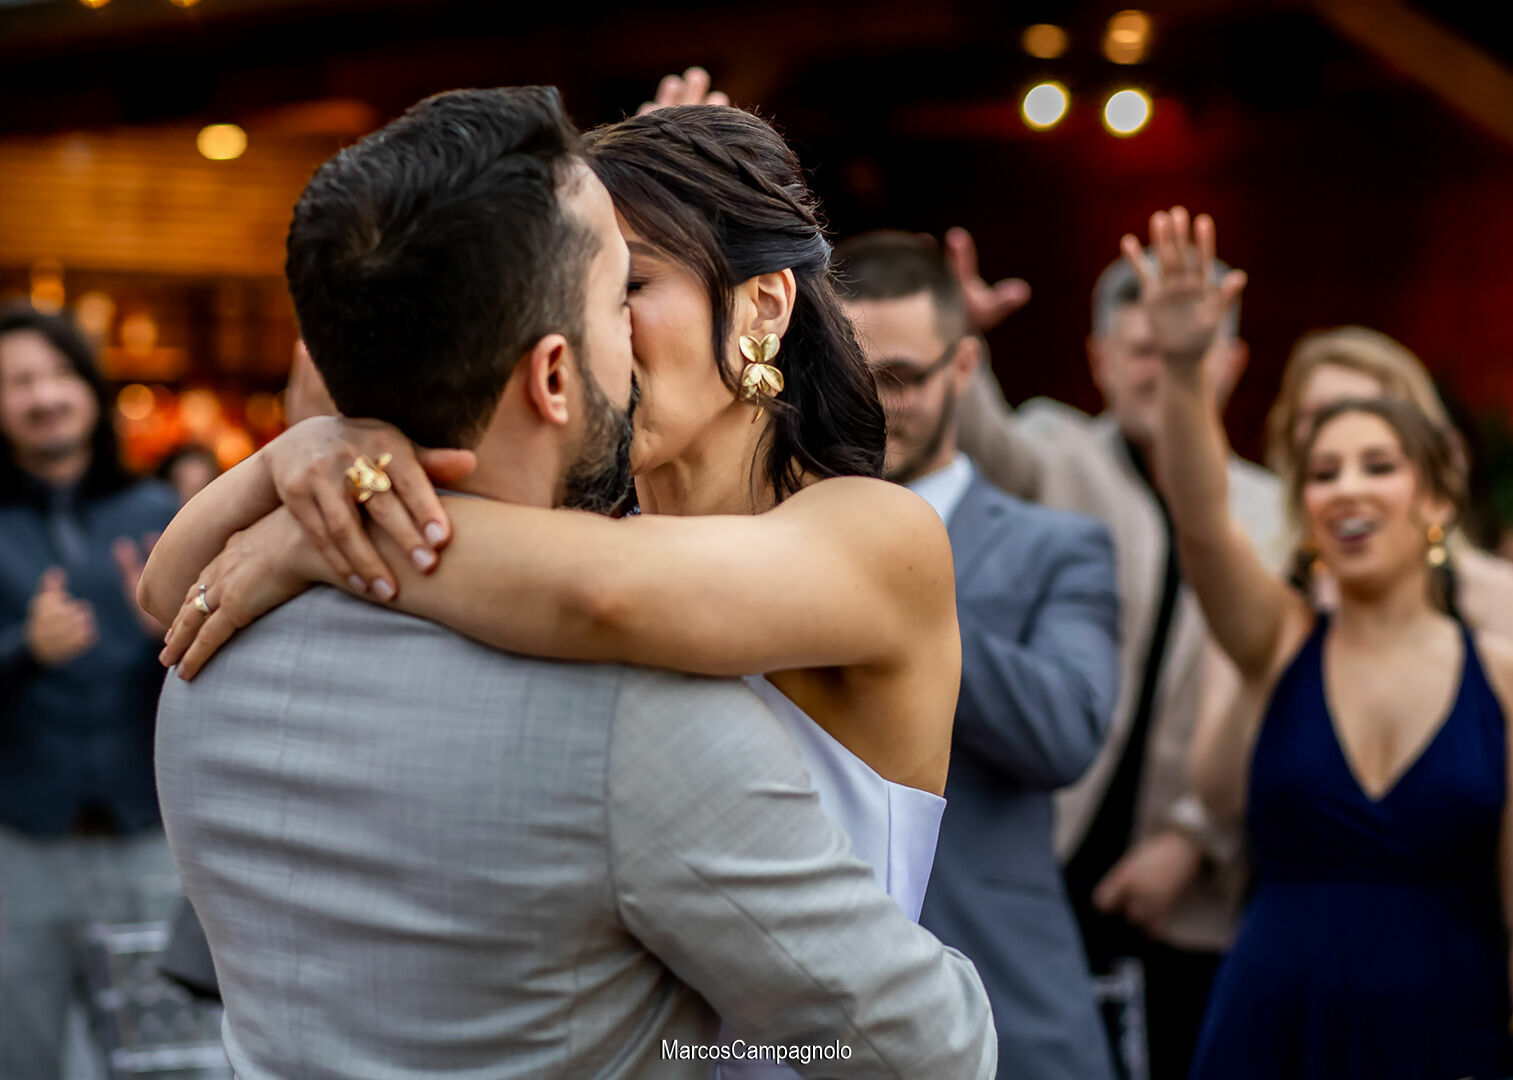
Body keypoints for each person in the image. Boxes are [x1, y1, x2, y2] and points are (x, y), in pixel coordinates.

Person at [151, 86, 996, 1079]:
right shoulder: (558, 546)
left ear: (764, 305)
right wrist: (301, 458)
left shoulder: (877, 534)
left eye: (628, 284)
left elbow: (613, 596)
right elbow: (174, 597)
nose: (601, 336)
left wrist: (326, 527)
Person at [1131, 205, 1513, 1079]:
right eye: (1323, 471)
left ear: (1436, 499)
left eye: (1378, 466)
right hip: (1273, 1021)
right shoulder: (1277, 638)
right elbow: (1201, 524)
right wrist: (1184, 369)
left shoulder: (1498, 676)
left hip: (1448, 1027)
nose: (1347, 489)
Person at [950, 232, 1284, 1077]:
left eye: (1184, 349)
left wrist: (1194, 838)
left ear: (1231, 362)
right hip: (1046, 857)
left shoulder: (1274, 513)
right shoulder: (1055, 453)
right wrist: (962, 345)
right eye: (1139, 349)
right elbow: (984, 441)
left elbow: (1274, 692)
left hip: (1190, 893)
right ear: (1098, 360)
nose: (1158, 369)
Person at [835, 230, 1121, 1080]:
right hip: (801, 1010)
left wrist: (905, 594)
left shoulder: (1057, 546)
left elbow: (1066, 732)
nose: (876, 404)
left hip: (1003, 997)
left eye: (902, 377)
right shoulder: (772, 535)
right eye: (853, 376)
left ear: (962, 366)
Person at [0, 303, 179, 1079]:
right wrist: (24, 648)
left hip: (146, 835)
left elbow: (222, 671)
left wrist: (172, 636)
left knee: (168, 1056)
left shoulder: (160, 514)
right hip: (20, 845)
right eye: (17, 382)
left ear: (90, 389)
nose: (43, 396)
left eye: (58, 375)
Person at [1261, 324, 1513, 636]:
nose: (1338, 431)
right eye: (1318, 416)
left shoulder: (1493, 601)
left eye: (1364, 411)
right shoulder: (1262, 595)